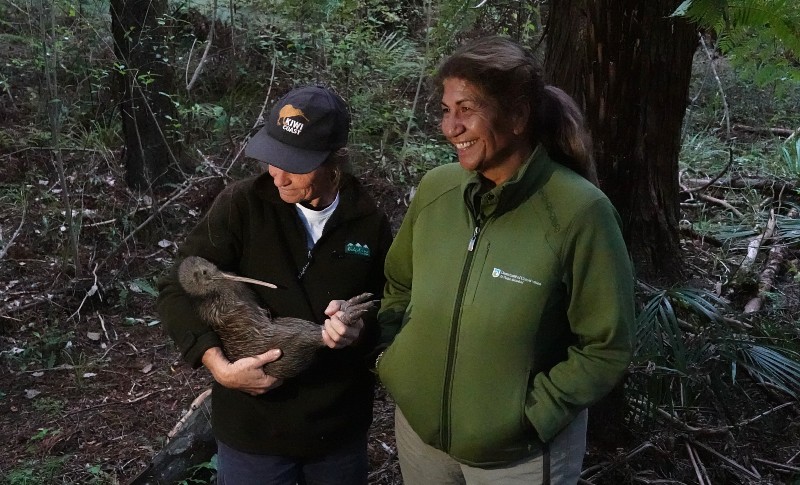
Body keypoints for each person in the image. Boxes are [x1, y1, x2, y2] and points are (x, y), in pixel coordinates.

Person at [375, 36, 635, 484]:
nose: (450, 127)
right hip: (420, 440)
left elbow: (605, 344)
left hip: (519, 457)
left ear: (517, 116)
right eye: (445, 110)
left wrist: (531, 414)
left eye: (467, 109)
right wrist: (395, 360)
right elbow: (399, 284)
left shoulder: (579, 212)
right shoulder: (437, 190)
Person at [157, 85, 392, 485]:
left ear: (334, 161)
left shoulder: (368, 223)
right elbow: (176, 288)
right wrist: (221, 368)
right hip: (253, 430)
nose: (277, 175)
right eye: (273, 157)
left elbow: (387, 309)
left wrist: (356, 329)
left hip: (335, 431)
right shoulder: (242, 206)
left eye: (295, 163)